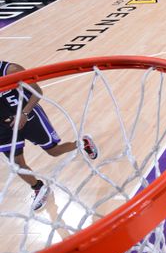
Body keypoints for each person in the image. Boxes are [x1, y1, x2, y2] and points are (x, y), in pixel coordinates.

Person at [1, 61, 98, 211]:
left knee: (54, 151)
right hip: (5, 127)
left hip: (28, 117)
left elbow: (37, 92)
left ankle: (82, 143)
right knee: (16, 164)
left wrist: (24, 113)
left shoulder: (11, 70)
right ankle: (39, 188)